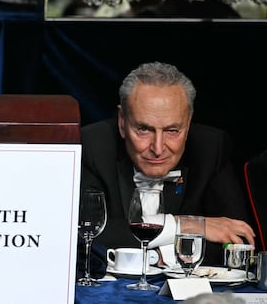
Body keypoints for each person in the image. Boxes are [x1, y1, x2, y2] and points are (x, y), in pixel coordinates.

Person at [81, 62, 254, 266]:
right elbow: (80, 235)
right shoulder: (93, 146)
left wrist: (160, 256)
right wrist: (185, 225)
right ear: (122, 122)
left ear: (188, 124)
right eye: (144, 129)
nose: (158, 147)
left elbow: (238, 242)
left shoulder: (210, 148)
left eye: (172, 131)